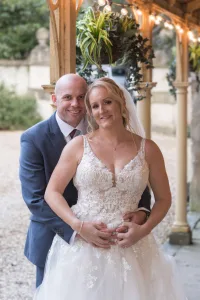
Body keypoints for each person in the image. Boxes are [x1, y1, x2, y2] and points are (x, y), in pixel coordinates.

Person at [33, 77, 186, 300]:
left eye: (107, 102)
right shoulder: (78, 146)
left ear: (121, 103)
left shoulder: (149, 149)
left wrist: (143, 229)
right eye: (94, 106)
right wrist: (79, 226)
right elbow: (52, 192)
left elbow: (164, 199)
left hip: (134, 246)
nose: (101, 110)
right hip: (85, 247)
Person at [19, 74, 151, 288]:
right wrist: (77, 229)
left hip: (115, 238)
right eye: (68, 97)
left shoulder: (104, 124)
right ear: (54, 99)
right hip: (55, 234)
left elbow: (135, 174)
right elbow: (36, 199)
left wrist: (143, 211)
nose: (75, 104)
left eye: (81, 97)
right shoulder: (33, 138)